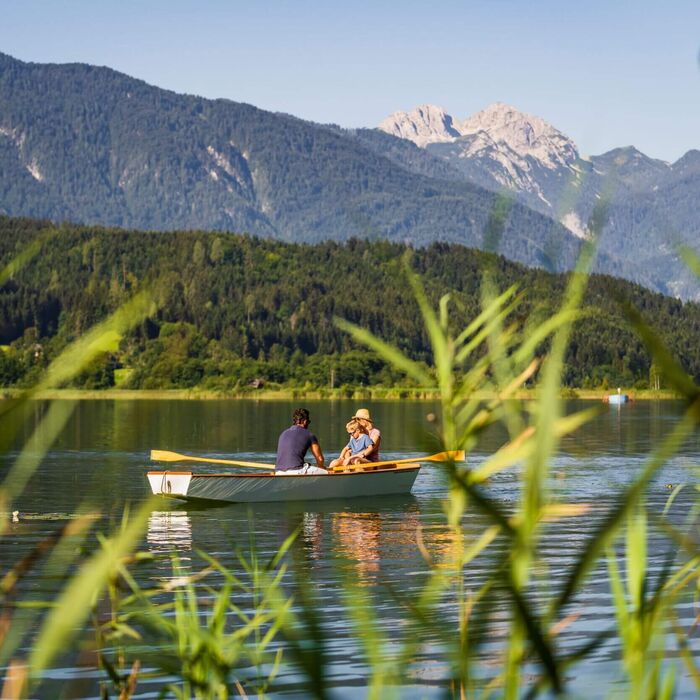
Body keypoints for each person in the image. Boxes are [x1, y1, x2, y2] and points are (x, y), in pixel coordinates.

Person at [276, 407, 326, 474]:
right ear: (305, 421)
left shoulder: (283, 433)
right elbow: (320, 459)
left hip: (279, 472)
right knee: (326, 472)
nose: (308, 424)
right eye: (308, 422)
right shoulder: (309, 435)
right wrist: (322, 468)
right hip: (297, 471)